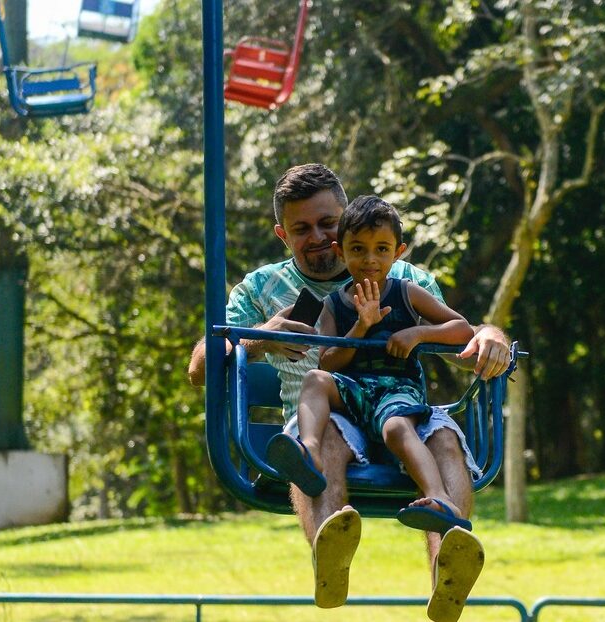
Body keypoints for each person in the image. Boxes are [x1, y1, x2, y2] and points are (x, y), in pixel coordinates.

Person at [188, 164, 510, 621]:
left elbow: (460, 336)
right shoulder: (262, 288)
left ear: (344, 222)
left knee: (444, 437)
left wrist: (491, 334)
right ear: (283, 234)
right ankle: (329, 554)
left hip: (401, 406)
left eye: (327, 223)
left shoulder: (400, 277)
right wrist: (258, 335)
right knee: (328, 437)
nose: (318, 237)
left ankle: (449, 569)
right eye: (302, 229)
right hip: (330, 412)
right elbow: (200, 368)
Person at [290, 195, 476, 537]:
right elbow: (328, 363)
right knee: (315, 379)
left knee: (395, 428)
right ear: (341, 251)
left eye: (381, 249)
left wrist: (418, 333)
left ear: (398, 252)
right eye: (358, 249)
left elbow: (461, 329)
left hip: (396, 390)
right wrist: (360, 326)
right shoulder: (333, 304)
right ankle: (310, 451)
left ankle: (439, 497)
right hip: (356, 392)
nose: (370, 260)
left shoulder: (407, 293)